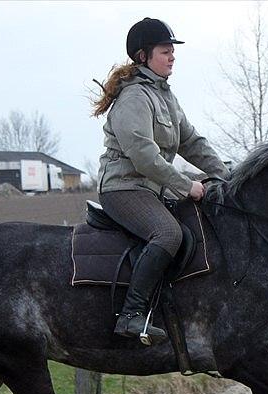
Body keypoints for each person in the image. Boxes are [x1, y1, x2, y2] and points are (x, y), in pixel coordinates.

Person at [92, 17, 229, 345]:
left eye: (172, 51)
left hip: (150, 189)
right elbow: (143, 155)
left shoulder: (165, 96)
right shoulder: (134, 98)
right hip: (123, 188)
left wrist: (228, 177)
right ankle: (131, 315)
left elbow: (192, 142)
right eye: (165, 51)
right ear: (143, 56)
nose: (172, 56)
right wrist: (186, 185)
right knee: (167, 234)